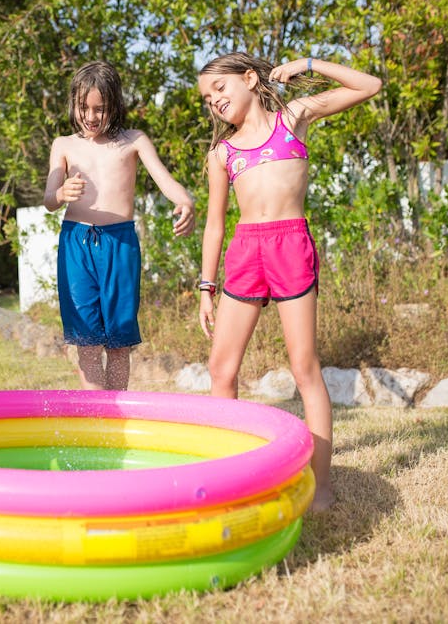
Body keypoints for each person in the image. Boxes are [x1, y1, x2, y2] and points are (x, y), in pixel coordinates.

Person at [197, 53, 382, 511]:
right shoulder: (221, 154)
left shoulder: (293, 118)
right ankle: (232, 477)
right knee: (221, 370)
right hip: (245, 252)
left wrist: (309, 64)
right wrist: (205, 287)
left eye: (219, 89)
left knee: (304, 368)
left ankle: (321, 486)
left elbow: (369, 85)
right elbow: (215, 225)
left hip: (289, 245)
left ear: (249, 78)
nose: (214, 102)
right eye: (206, 98)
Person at [43, 61, 195, 390]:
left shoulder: (133, 141)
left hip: (120, 245)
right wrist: (60, 192)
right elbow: (48, 199)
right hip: (77, 244)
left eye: (100, 108)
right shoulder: (64, 145)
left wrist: (185, 202)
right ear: (73, 104)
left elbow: (165, 180)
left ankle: (115, 413)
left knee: (119, 342)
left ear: (115, 105)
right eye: (84, 107)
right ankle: (97, 417)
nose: (91, 116)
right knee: (86, 341)